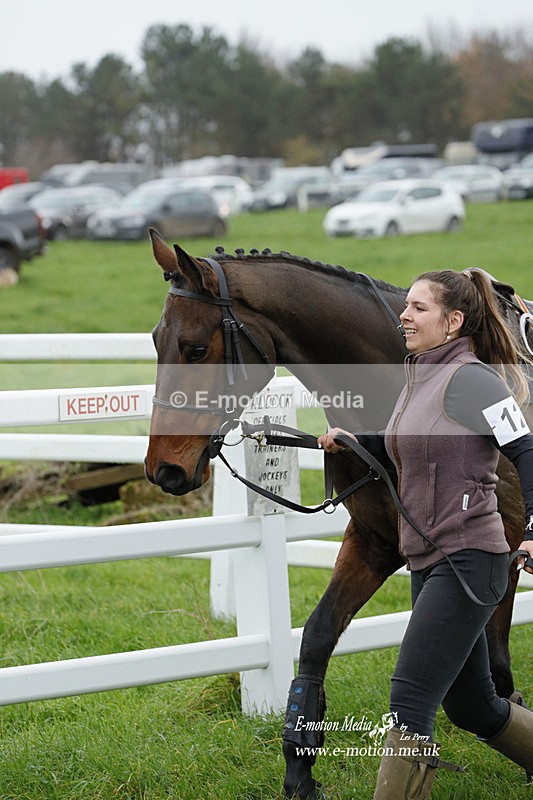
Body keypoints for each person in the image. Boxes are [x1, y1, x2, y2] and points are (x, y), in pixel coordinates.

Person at [318, 269, 533, 799]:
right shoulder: (417, 376)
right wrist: (354, 437)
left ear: (453, 321)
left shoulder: (475, 379)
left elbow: (526, 449)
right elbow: (408, 435)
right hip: (429, 557)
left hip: (471, 556)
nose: (404, 316)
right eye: (406, 306)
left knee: (408, 702)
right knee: (472, 706)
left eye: (418, 308)